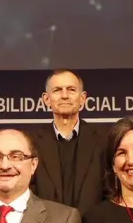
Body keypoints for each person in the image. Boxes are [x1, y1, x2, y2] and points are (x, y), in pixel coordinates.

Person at [29, 69, 107, 213]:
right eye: (57, 90)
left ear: (82, 98)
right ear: (46, 99)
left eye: (71, 90)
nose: (64, 96)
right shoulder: (31, 143)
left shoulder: (104, 140)